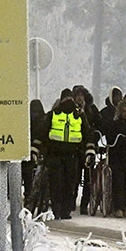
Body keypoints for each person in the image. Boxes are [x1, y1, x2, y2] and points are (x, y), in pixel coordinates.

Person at [36, 89, 89, 220]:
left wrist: (89, 150)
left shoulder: (79, 115)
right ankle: (58, 210)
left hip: (72, 155)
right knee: (57, 183)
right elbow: (42, 133)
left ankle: (64, 210)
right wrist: (37, 148)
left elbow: (87, 134)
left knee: (69, 183)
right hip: (55, 155)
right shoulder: (53, 114)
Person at [101, 95, 126, 217]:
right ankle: (118, 207)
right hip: (117, 157)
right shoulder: (114, 124)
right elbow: (109, 137)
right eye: (124, 111)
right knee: (118, 181)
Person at [72, 85, 101, 215]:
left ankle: (85, 204)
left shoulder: (91, 110)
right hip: (76, 147)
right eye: (77, 95)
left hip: (89, 147)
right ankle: (72, 201)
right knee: (75, 177)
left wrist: (95, 134)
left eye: (81, 95)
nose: (79, 98)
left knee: (89, 177)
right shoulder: (71, 109)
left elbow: (100, 124)